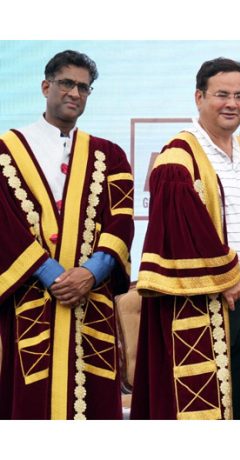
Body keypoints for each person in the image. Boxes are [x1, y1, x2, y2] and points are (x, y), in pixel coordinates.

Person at [132, 58, 240, 420]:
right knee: (205, 399)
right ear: (199, 97)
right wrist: (225, 276)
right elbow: (182, 230)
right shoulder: (178, 156)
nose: (232, 103)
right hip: (204, 299)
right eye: (222, 94)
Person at [0, 50, 134, 419]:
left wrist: (90, 273)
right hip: (30, 300)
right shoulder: (5, 152)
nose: (75, 93)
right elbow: (4, 226)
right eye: (66, 84)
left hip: (91, 301)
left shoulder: (110, 155)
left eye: (84, 88)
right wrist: (52, 275)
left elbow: (121, 221)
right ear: (46, 87)